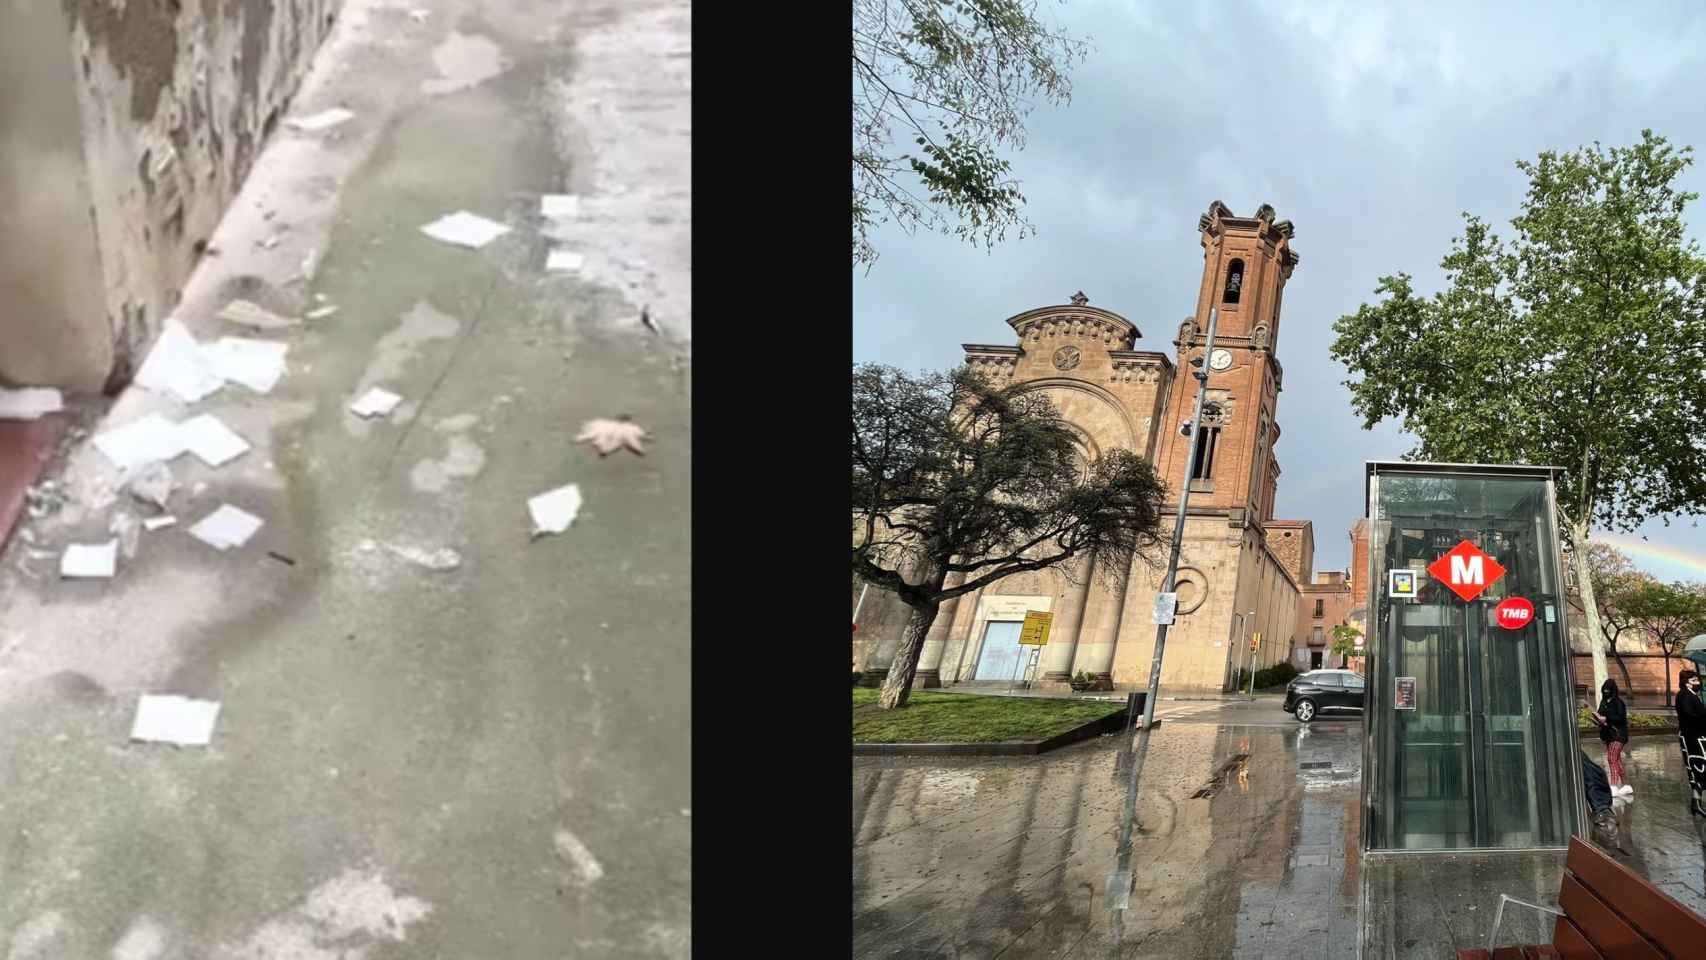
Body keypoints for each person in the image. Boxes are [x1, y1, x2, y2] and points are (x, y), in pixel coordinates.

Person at [1675, 669, 1706, 819]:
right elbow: (1691, 716)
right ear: (1686, 683)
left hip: (1694, 737)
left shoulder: (1690, 695)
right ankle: (1697, 803)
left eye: (1697, 680)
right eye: (1694, 681)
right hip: (1692, 738)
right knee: (1698, 769)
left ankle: (1696, 803)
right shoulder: (1686, 696)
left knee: (1696, 770)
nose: (1698, 683)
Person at [1594, 678, 1632, 799]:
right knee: (1616, 760)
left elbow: (1621, 718)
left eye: (1608, 690)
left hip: (1618, 735)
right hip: (1608, 734)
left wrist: (1607, 718)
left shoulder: (1618, 703)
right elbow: (1600, 714)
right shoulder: (1604, 702)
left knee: (1611, 758)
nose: (1606, 692)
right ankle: (1626, 785)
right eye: (1604, 690)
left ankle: (1614, 785)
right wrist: (1598, 719)